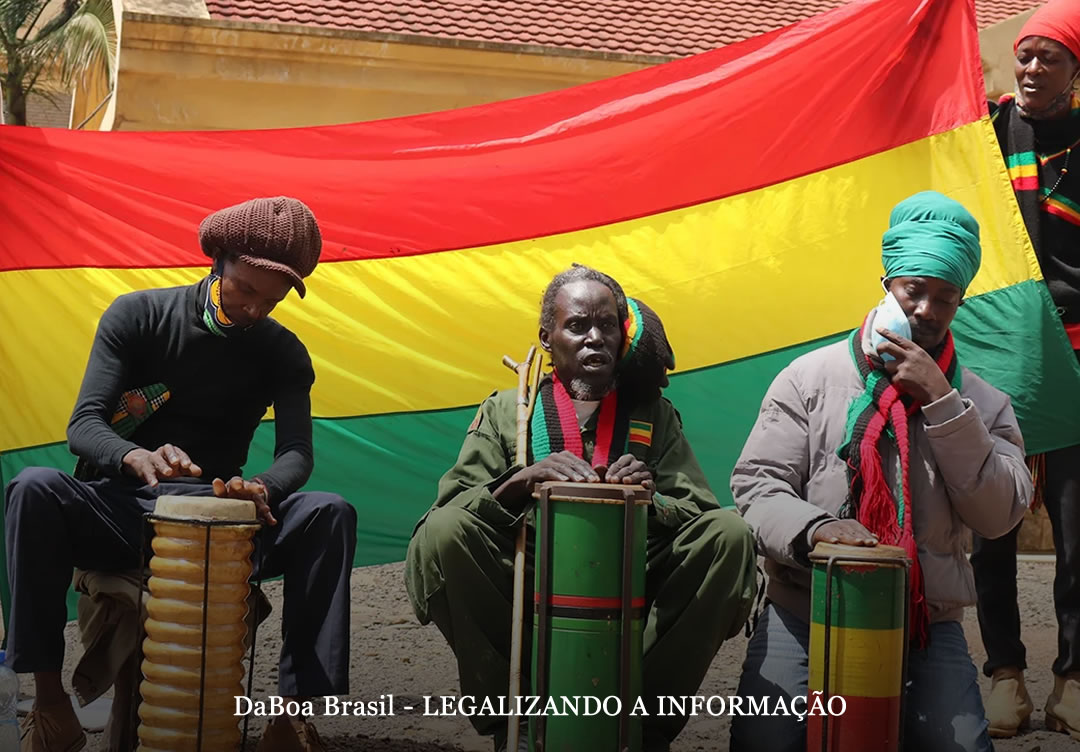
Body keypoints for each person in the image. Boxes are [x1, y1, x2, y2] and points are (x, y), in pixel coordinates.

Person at [4, 196, 356, 752]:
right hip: (122, 508)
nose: (255, 310)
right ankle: (49, 704)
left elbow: (296, 453)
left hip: (223, 519)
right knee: (32, 488)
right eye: (246, 289)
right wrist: (132, 456)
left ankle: (293, 718)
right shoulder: (137, 316)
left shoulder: (283, 352)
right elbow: (84, 424)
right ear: (219, 259)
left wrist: (261, 489)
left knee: (328, 512)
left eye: (274, 299)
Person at [405, 265, 757, 752]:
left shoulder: (651, 413)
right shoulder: (512, 411)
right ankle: (518, 722)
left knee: (730, 536)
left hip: (632, 570)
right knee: (444, 533)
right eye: (577, 326)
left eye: (607, 325)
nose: (595, 338)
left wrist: (649, 498)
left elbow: (697, 511)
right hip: (527, 570)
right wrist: (519, 481)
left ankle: (639, 724)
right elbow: (455, 503)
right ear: (547, 338)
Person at [730, 191, 1032, 752]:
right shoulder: (809, 377)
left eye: (946, 298)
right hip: (806, 608)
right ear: (886, 283)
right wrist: (817, 530)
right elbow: (757, 484)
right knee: (765, 743)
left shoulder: (981, 403)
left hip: (926, 622)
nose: (927, 311)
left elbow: (998, 515)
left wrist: (943, 402)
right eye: (914, 291)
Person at [974, 0, 1080, 739]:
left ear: (1076, 70)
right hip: (998, 357)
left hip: (1076, 357)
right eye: (1026, 53)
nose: (1033, 66)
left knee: (1079, 532)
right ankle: (1004, 674)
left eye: (1050, 57)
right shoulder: (984, 129)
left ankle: (1072, 679)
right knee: (992, 525)